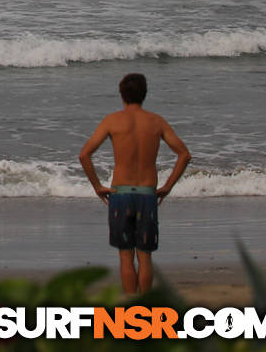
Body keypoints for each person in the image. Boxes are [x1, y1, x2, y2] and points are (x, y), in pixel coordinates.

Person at [78, 73, 191, 293]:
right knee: (145, 257)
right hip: (147, 195)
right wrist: (167, 186)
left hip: (120, 195)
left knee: (125, 257)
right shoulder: (157, 122)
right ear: (144, 95)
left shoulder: (111, 121)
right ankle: (145, 307)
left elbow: (84, 155)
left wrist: (97, 186)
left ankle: (131, 307)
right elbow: (184, 155)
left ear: (121, 95)